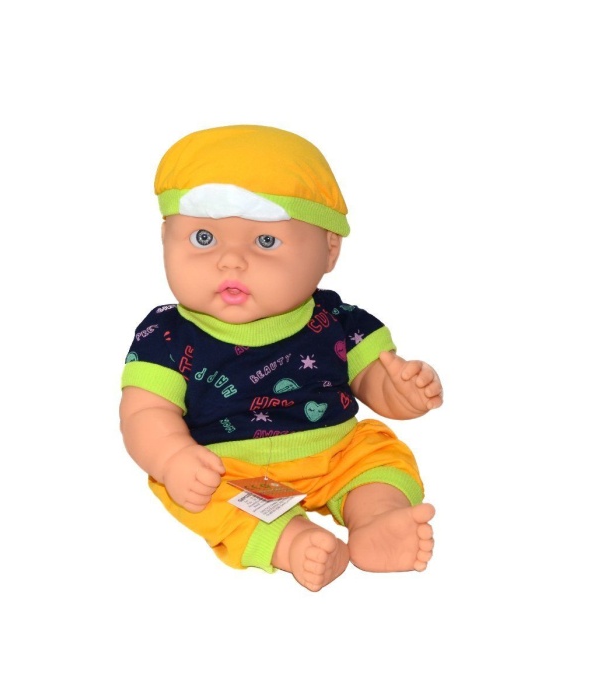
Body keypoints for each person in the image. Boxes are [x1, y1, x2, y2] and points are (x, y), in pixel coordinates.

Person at [119, 125, 443, 591]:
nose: (231, 261)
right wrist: (173, 457)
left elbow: (374, 379)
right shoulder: (166, 334)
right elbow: (144, 411)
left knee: (377, 455)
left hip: (334, 450)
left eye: (265, 242)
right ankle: (293, 543)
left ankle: (376, 517)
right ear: (165, 237)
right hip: (228, 468)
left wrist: (403, 393)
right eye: (204, 238)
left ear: (329, 250)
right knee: (197, 497)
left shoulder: (337, 319)